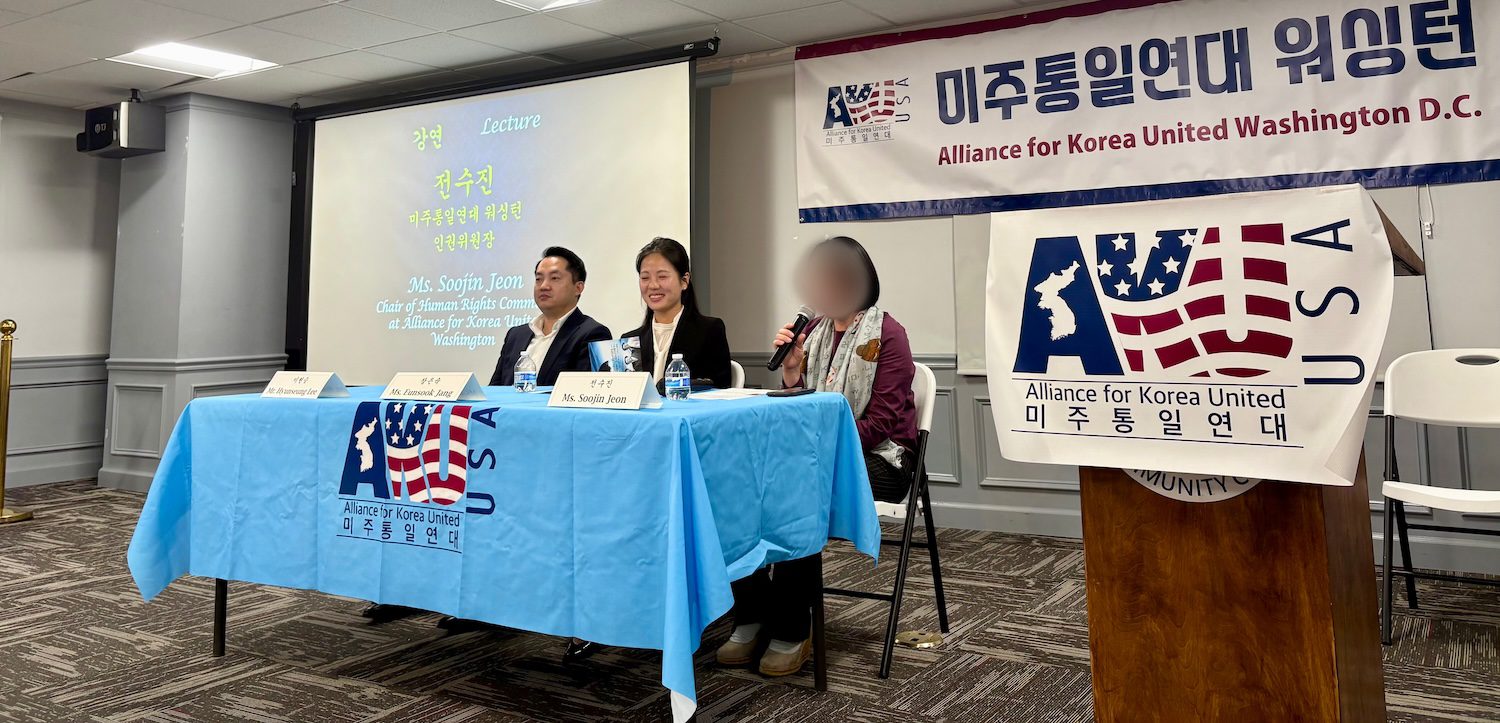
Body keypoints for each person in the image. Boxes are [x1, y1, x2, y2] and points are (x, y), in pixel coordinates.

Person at [715, 235, 917, 677]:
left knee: (798, 489)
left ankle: (793, 626)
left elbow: (881, 424)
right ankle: (753, 612)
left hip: (882, 459)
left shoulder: (888, 334)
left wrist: (814, 451)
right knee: (740, 484)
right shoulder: (813, 333)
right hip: (817, 455)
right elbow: (799, 410)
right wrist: (792, 371)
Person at [488, 246, 613, 387]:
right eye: (538, 279)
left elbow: (587, 393)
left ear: (578, 288)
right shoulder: (516, 335)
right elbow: (495, 388)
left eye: (554, 278)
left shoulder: (594, 334)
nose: (544, 286)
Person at [619, 236, 732, 390]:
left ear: (684, 281)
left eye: (662, 277)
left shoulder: (709, 330)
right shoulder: (630, 341)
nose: (653, 285)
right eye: (645, 278)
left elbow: (720, 387)